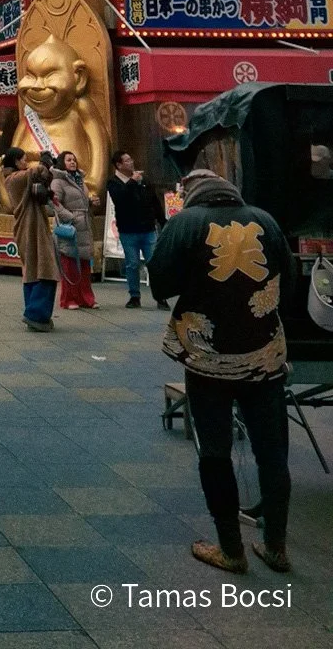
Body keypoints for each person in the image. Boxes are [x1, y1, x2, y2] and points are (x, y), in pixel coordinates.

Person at [149, 169, 296, 575]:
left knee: (214, 451)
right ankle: (277, 546)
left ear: (194, 193)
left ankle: (231, 549)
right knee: (272, 452)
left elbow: (159, 283)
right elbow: (290, 280)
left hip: (207, 358)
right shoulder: (265, 220)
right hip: (264, 355)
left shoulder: (184, 224)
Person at [2, 148, 58, 332]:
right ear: (17, 162)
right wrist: (44, 161)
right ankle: (36, 314)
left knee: (34, 270)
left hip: (32, 226)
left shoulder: (16, 178)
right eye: (24, 159)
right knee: (44, 269)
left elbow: (41, 177)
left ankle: (35, 313)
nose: (26, 163)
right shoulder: (14, 179)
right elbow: (37, 172)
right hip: (29, 227)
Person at [107, 150, 168, 308]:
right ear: (118, 165)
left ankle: (160, 296)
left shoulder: (142, 179)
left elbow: (154, 201)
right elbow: (120, 199)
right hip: (128, 230)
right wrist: (132, 182)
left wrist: (162, 220)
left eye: (131, 159)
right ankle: (134, 295)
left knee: (153, 262)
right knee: (132, 263)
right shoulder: (114, 182)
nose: (131, 162)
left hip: (148, 228)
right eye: (126, 161)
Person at [51, 151, 96, 310]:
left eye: (74, 160)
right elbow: (55, 202)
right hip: (69, 225)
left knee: (84, 263)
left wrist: (90, 202)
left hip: (84, 224)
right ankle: (68, 299)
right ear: (62, 162)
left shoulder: (80, 179)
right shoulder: (58, 181)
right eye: (69, 160)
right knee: (69, 263)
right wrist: (69, 216)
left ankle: (86, 298)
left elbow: (81, 200)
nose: (72, 162)